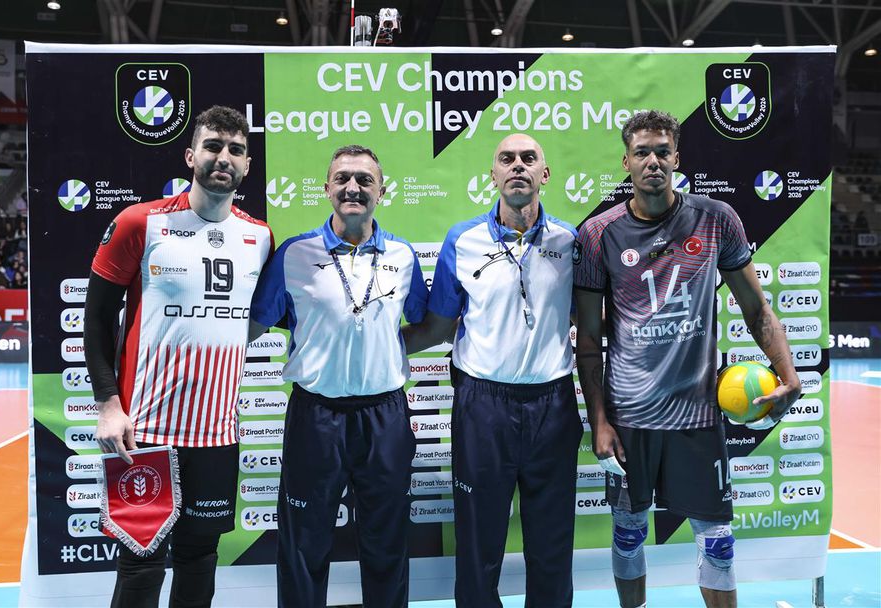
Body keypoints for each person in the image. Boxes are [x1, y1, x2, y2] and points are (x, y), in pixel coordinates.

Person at [572, 110, 802, 608]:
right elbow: (587, 339)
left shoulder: (716, 218)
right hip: (629, 418)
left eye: (662, 152)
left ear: (677, 158)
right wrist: (599, 421)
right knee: (628, 534)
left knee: (718, 543)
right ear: (626, 162)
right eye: (642, 152)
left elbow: (756, 308)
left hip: (697, 414)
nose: (652, 161)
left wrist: (789, 376)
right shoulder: (598, 234)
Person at [83, 105, 272, 608]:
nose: (223, 157)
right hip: (144, 431)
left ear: (247, 164)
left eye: (235, 149)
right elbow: (96, 318)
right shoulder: (139, 223)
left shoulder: (260, 237)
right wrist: (108, 405)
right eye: (212, 146)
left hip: (216, 434)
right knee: (140, 564)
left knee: (199, 559)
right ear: (190, 156)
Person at [403, 133, 582, 608]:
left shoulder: (570, 241)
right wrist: (376, 347)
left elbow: (591, 319)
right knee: (478, 541)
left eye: (529, 158)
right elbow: (438, 325)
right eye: (507, 159)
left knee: (552, 541)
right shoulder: (462, 240)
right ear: (494, 174)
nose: (517, 165)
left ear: (545, 174)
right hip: (482, 406)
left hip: (553, 404)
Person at [248, 145, 428, 608]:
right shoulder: (294, 254)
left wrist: (382, 350)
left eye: (365, 180)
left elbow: (426, 324)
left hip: (385, 416)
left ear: (381, 192)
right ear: (327, 188)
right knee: (303, 542)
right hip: (315, 415)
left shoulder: (403, 255)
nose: (353, 188)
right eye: (343, 178)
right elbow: (252, 326)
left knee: (387, 540)